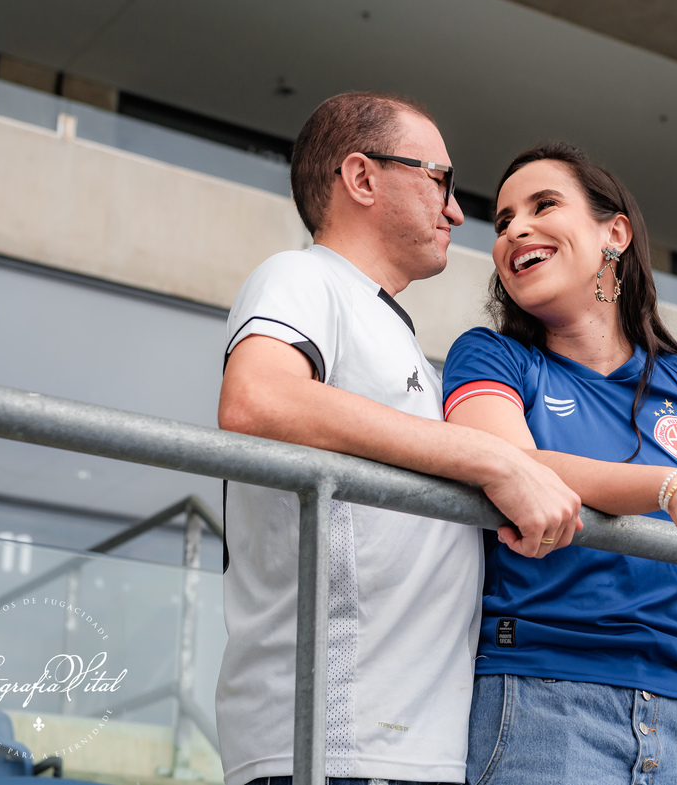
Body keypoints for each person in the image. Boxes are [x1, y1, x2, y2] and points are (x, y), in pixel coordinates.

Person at [214, 94, 582, 785]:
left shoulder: (390, 332)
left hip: (397, 748)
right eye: (440, 179)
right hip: (334, 747)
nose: (456, 210)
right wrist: (490, 456)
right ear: (362, 178)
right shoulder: (302, 275)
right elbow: (256, 397)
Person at [442, 142, 677, 784]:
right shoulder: (490, 357)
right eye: (502, 221)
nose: (515, 228)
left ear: (615, 233)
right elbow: (510, 463)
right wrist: (674, 488)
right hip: (538, 703)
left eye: (544, 204)